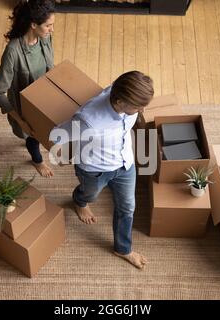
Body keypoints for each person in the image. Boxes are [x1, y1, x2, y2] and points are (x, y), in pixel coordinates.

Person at [52, 71, 154, 269]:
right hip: (94, 170)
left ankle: (123, 249)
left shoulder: (121, 90)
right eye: (138, 106)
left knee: (127, 207)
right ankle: (79, 201)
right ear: (120, 101)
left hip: (125, 165)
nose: (142, 109)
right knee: (89, 195)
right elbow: (56, 135)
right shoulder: (88, 120)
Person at [0, 0, 55, 178]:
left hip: (44, 97)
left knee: (46, 131)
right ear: (33, 24)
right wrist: (20, 120)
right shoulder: (13, 51)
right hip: (24, 107)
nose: (52, 30)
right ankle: (37, 161)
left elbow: (49, 66)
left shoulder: (45, 37)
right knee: (32, 137)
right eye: (48, 25)